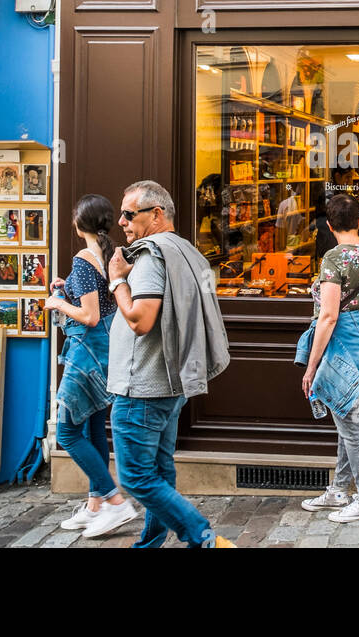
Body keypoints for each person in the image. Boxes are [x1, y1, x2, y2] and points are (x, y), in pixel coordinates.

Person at [106, 181, 234, 548]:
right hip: (169, 382)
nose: (122, 222)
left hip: (141, 386)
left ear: (156, 214)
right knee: (160, 471)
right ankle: (149, 544)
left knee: (136, 478)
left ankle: (203, 537)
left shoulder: (150, 255)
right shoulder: (187, 251)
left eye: (130, 214)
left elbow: (140, 320)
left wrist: (117, 281)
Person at [45, 194, 139, 536]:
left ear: (78, 223)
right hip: (107, 351)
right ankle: (95, 504)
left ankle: (116, 502)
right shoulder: (110, 254)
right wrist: (66, 288)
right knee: (94, 429)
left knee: (69, 431)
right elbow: (100, 300)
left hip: (85, 354)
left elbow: (89, 314)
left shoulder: (84, 259)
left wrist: (56, 301)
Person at [296, 193, 359, 522]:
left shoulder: (334, 258)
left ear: (330, 224)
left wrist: (311, 366)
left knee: (350, 424)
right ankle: (338, 489)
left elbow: (329, 316)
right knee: (348, 417)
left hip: (342, 347)